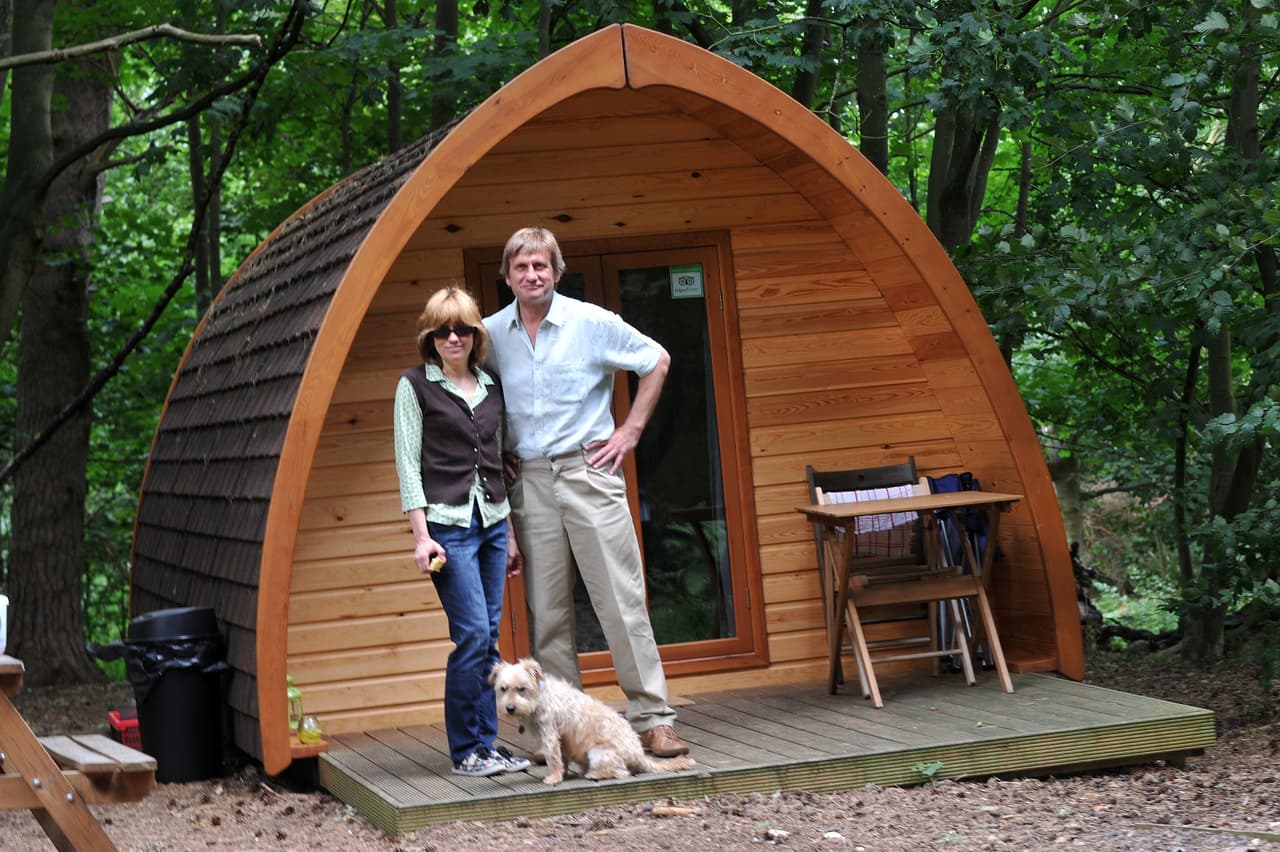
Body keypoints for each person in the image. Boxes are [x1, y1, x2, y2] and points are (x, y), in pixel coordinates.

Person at [482, 226, 690, 758]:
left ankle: (653, 718)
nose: (532, 275)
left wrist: (631, 431)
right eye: (522, 267)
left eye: (541, 267)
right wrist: (496, 449)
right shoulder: (489, 335)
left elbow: (656, 360)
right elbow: (471, 397)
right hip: (527, 479)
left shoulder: (590, 322)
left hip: (587, 472)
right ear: (507, 276)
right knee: (548, 614)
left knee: (620, 601)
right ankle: (557, 731)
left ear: (556, 272)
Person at [393, 286, 531, 777]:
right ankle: (465, 751)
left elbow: (497, 462)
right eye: (443, 330)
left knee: (489, 639)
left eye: (463, 329)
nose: (454, 337)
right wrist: (420, 535)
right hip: (446, 529)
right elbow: (409, 467)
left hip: (492, 522)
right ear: (431, 337)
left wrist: (510, 535)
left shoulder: (491, 386)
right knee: (472, 635)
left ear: (476, 336)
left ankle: (486, 746)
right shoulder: (414, 386)